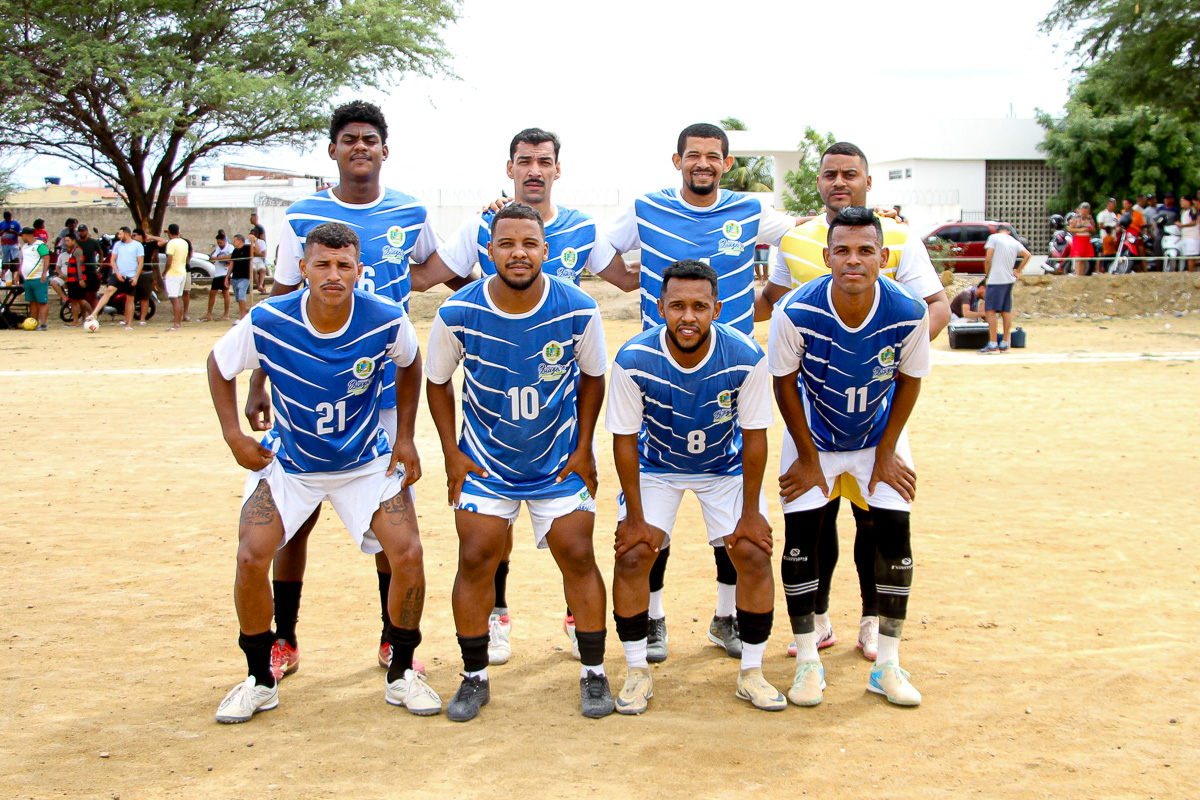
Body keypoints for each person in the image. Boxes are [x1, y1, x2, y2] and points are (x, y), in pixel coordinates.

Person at [412, 127, 637, 666]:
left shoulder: (581, 230)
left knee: (574, 548)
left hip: (555, 407)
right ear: (509, 168)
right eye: (524, 160)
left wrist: (693, 273)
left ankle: (580, 628)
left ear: (558, 169)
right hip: (496, 403)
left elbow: (628, 281)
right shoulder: (479, 225)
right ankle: (496, 615)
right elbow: (430, 276)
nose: (534, 169)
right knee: (486, 543)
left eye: (543, 161)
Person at [207, 221, 439, 723]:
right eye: (322, 264)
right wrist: (233, 435)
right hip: (291, 464)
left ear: (359, 270)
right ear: (303, 268)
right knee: (250, 556)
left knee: (409, 553)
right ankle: (259, 679)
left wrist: (404, 436)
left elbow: (410, 363)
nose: (333, 274)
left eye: (343, 265)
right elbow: (219, 364)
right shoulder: (268, 318)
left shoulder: (386, 317)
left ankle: (402, 672)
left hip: (365, 463)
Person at [244, 100, 444, 679]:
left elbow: (439, 268)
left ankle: (391, 639)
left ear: (385, 150)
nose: (360, 147)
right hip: (310, 390)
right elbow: (282, 300)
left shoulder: (410, 210)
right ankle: (284, 637)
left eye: (370, 139)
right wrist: (260, 379)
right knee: (293, 517)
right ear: (332, 150)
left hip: (384, 394)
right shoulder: (302, 215)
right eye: (350, 139)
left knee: (389, 521)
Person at [599, 122, 800, 662]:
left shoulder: (752, 210)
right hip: (663, 369)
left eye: (713, 156)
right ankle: (654, 618)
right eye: (693, 155)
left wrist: (872, 219)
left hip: (729, 373)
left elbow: (804, 236)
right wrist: (631, 281)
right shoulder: (646, 208)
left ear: (727, 164)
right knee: (650, 517)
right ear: (677, 160)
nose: (703, 163)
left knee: (731, 510)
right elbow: (596, 247)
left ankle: (726, 616)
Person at [757, 141, 948, 663]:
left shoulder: (899, 238)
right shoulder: (794, 239)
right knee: (816, 520)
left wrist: (888, 354)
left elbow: (935, 306)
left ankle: (871, 620)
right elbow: (771, 301)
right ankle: (816, 620)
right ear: (818, 182)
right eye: (830, 175)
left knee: (873, 521)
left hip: (871, 404)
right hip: (815, 408)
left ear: (868, 181)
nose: (840, 183)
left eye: (850, 174)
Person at [426, 203, 613, 722]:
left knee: (578, 554)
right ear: (489, 251)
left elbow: (593, 377)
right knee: (475, 558)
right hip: (486, 463)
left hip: (557, 461)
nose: (518, 253)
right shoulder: (457, 311)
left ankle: (594, 672)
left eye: (529, 243)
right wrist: (452, 453)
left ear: (546, 251)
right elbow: (437, 382)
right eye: (506, 243)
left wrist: (583, 447)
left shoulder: (578, 308)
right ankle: (474, 677)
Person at [768, 206, 931, 707]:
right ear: (827, 257)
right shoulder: (794, 310)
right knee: (802, 538)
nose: (853, 260)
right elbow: (784, 383)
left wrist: (887, 452)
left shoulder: (909, 310)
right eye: (842, 250)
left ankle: (888, 665)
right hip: (813, 437)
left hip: (877, 437)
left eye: (865, 251)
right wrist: (807, 457)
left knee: (894, 534)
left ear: (883, 257)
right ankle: (807, 661)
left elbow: (910, 381)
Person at [607, 260, 784, 713]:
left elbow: (755, 436)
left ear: (716, 309)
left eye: (700, 307)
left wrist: (750, 512)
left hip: (724, 467)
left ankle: (752, 672)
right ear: (660, 307)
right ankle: (636, 671)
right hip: (656, 466)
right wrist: (634, 518)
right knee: (633, 555)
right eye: (678, 306)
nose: (688, 317)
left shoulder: (746, 356)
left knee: (753, 552)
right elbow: (624, 440)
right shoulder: (633, 359)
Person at [978, 226, 1030, 354]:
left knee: (990, 311)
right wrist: (1018, 271)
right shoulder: (1014, 241)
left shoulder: (993, 238)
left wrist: (987, 275)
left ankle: (993, 344)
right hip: (1009, 279)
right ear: (1008, 231)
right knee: (1006, 311)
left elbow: (988, 258)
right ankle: (1005, 342)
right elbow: (1027, 255)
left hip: (996, 279)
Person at [86, 226, 144, 329]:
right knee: (109, 291)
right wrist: (117, 273)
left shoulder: (137, 245)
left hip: (131, 275)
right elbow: (112, 260)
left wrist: (136, 277)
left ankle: (129, 324)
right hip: (119, 274)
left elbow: (140, 262)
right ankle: (94, 313)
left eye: (120, 234)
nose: (118, 236)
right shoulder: (117, 245)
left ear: (126, 234)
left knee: (130, 299)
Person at [19, 227, 51, 330]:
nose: (22, 237)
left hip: (38, 277)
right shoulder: (24, 247)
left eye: (23, 235)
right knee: (32, 301)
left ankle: (44, 323)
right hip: (27, 278)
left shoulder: (39, 245)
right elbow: (23, 261)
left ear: (27, 235)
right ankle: (34, 322)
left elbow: (46, 258)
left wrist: (44, 273)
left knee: (42, 301)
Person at [59, 232, 92, 326]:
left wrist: (80, 279)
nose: (66, 243)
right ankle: (79, 319)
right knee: (76, 300)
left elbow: (79, 264)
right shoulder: (73, 251)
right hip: (73, 279)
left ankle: (90, 316)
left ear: (73, 240)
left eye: (68, 241)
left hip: (76, 280)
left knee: (80, 300)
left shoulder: (77, 251)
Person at [131, 229, 161, 323]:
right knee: (130, 296)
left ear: (141, 236)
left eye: (135, 235)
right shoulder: (131, 246)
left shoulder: (148, 245)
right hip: (133, 273)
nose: (133, 237)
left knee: (144, 297)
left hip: (146, 273)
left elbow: (163, 241)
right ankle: (127, 318)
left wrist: (150, 237)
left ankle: (142, 318)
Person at [163, 223, 189, 331]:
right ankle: (178, 322)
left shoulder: (171, 243)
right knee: (178, 298)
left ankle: (176, 324)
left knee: (174, 299)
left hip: (173, 273)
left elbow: (169, 260)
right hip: (182, 272)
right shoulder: (184, 242)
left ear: (169, 233)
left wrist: (165, 272)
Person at [202, 231, 233, 321]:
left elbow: (230, 257)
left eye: (220, 242)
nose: (219, 244)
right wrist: (220, 258)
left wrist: (219, 258)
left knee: (225, 293)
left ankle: (226, 314)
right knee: (212, 293)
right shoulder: (217, 248)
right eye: (218, 243)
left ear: (224, 241)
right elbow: (212, 258)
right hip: (217, 273)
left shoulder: (230, 247)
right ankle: (209, 314)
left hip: (225, 273)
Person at [76, 224, 103, 311]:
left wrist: (100, 267)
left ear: (87, 231)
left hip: (91, 272)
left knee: (93, 295)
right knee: (82, 296)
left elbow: (101, 253)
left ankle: (95, 314)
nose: (81, 233)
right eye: (80, 231)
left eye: (83, 231)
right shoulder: (76, 243)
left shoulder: (93, 242)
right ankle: (84, 316)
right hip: (80, 272)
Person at [1067, 203, 1095, 276]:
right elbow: (1070, 229)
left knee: (1084, 259)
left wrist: (1090, 229)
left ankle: (1082, 275)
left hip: (1086, 239)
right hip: (1078, 239)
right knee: (1078, 258)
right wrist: (1080, 230)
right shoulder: (1075, 218)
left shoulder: (1089, 218)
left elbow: (1093, 229)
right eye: (1084, 210)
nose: (1085, 212)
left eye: (1087, 211)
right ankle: (1077, 274)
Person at [229, 234, 254, 317]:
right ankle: (242, 314)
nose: (233, 242)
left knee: (241, 295)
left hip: (244, 277)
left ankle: (243, 316)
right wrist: (227, 276)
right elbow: (232, 264)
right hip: (235, 277)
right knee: (238, 297)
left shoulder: (247, 248)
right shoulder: (235, 251)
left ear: (240, 241)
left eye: (235, 240)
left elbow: (254, 253)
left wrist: (253, 241)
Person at [1180, 195, 1199, 272]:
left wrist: (1182, 225)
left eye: (1183, 201)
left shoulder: (1192, 210)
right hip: (1185, 237)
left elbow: (1194, 222)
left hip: (1192, 237)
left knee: (1191, 258)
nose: (1181, 203)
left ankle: (1192, 274)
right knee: (1189, 258)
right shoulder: (1183, 212)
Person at [1, 211, 21, 279]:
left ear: (11, 217)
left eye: (8, 218)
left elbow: (20, 233)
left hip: (13, 243)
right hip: (4, 244)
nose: (7, 220)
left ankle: (19, 273)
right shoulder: (2, 223)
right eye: (6, 219)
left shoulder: (16, 223)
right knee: (5, 260)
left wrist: (11, 232)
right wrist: (3, 231)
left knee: (15, 258)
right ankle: (6, 275)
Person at [250, 226, 268, 293]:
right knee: (254, 270)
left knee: (262, 269)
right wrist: (257, 253)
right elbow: (250, 253)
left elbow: (263, 254)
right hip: (252, 261)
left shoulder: (261, 242)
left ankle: (260, 285)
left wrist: (255, 253)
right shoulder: (247, 242)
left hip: (260, 261)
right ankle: (258, 285)